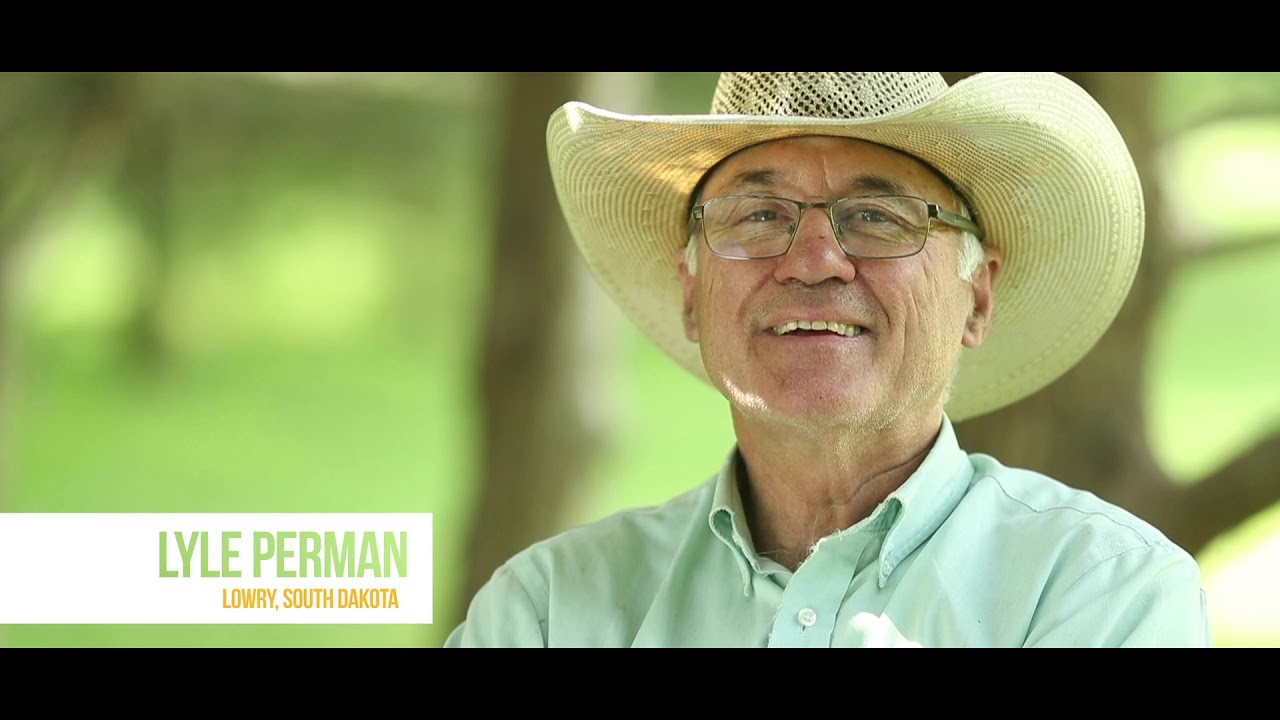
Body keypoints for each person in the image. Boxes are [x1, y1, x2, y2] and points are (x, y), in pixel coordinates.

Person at [444, 72, 1211, 647]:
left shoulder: (1100, 591)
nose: (815, 260)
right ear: (691, 294)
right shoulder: (547, 610)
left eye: (876, 217)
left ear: (976, 298)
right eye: (759, 214)